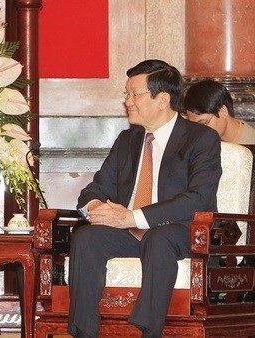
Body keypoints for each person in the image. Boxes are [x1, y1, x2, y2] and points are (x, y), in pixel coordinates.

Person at [68, 60, 222, 338]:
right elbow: (93, 191)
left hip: (185, 231)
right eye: (126, 94)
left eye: (134, 94)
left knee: (158, 238)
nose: (127, 102)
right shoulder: (128, 140)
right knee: (86, 238)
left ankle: (149, 330)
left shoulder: (201, 138)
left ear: (162, 99)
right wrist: (96, 210)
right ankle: (83, 332)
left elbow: (198, 198)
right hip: (132, 233)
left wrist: (132, 217)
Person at [184, 79, 255, 145]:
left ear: (223, 111)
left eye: (203, 123)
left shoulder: (250, 143)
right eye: (193, 126)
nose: (198, 132)